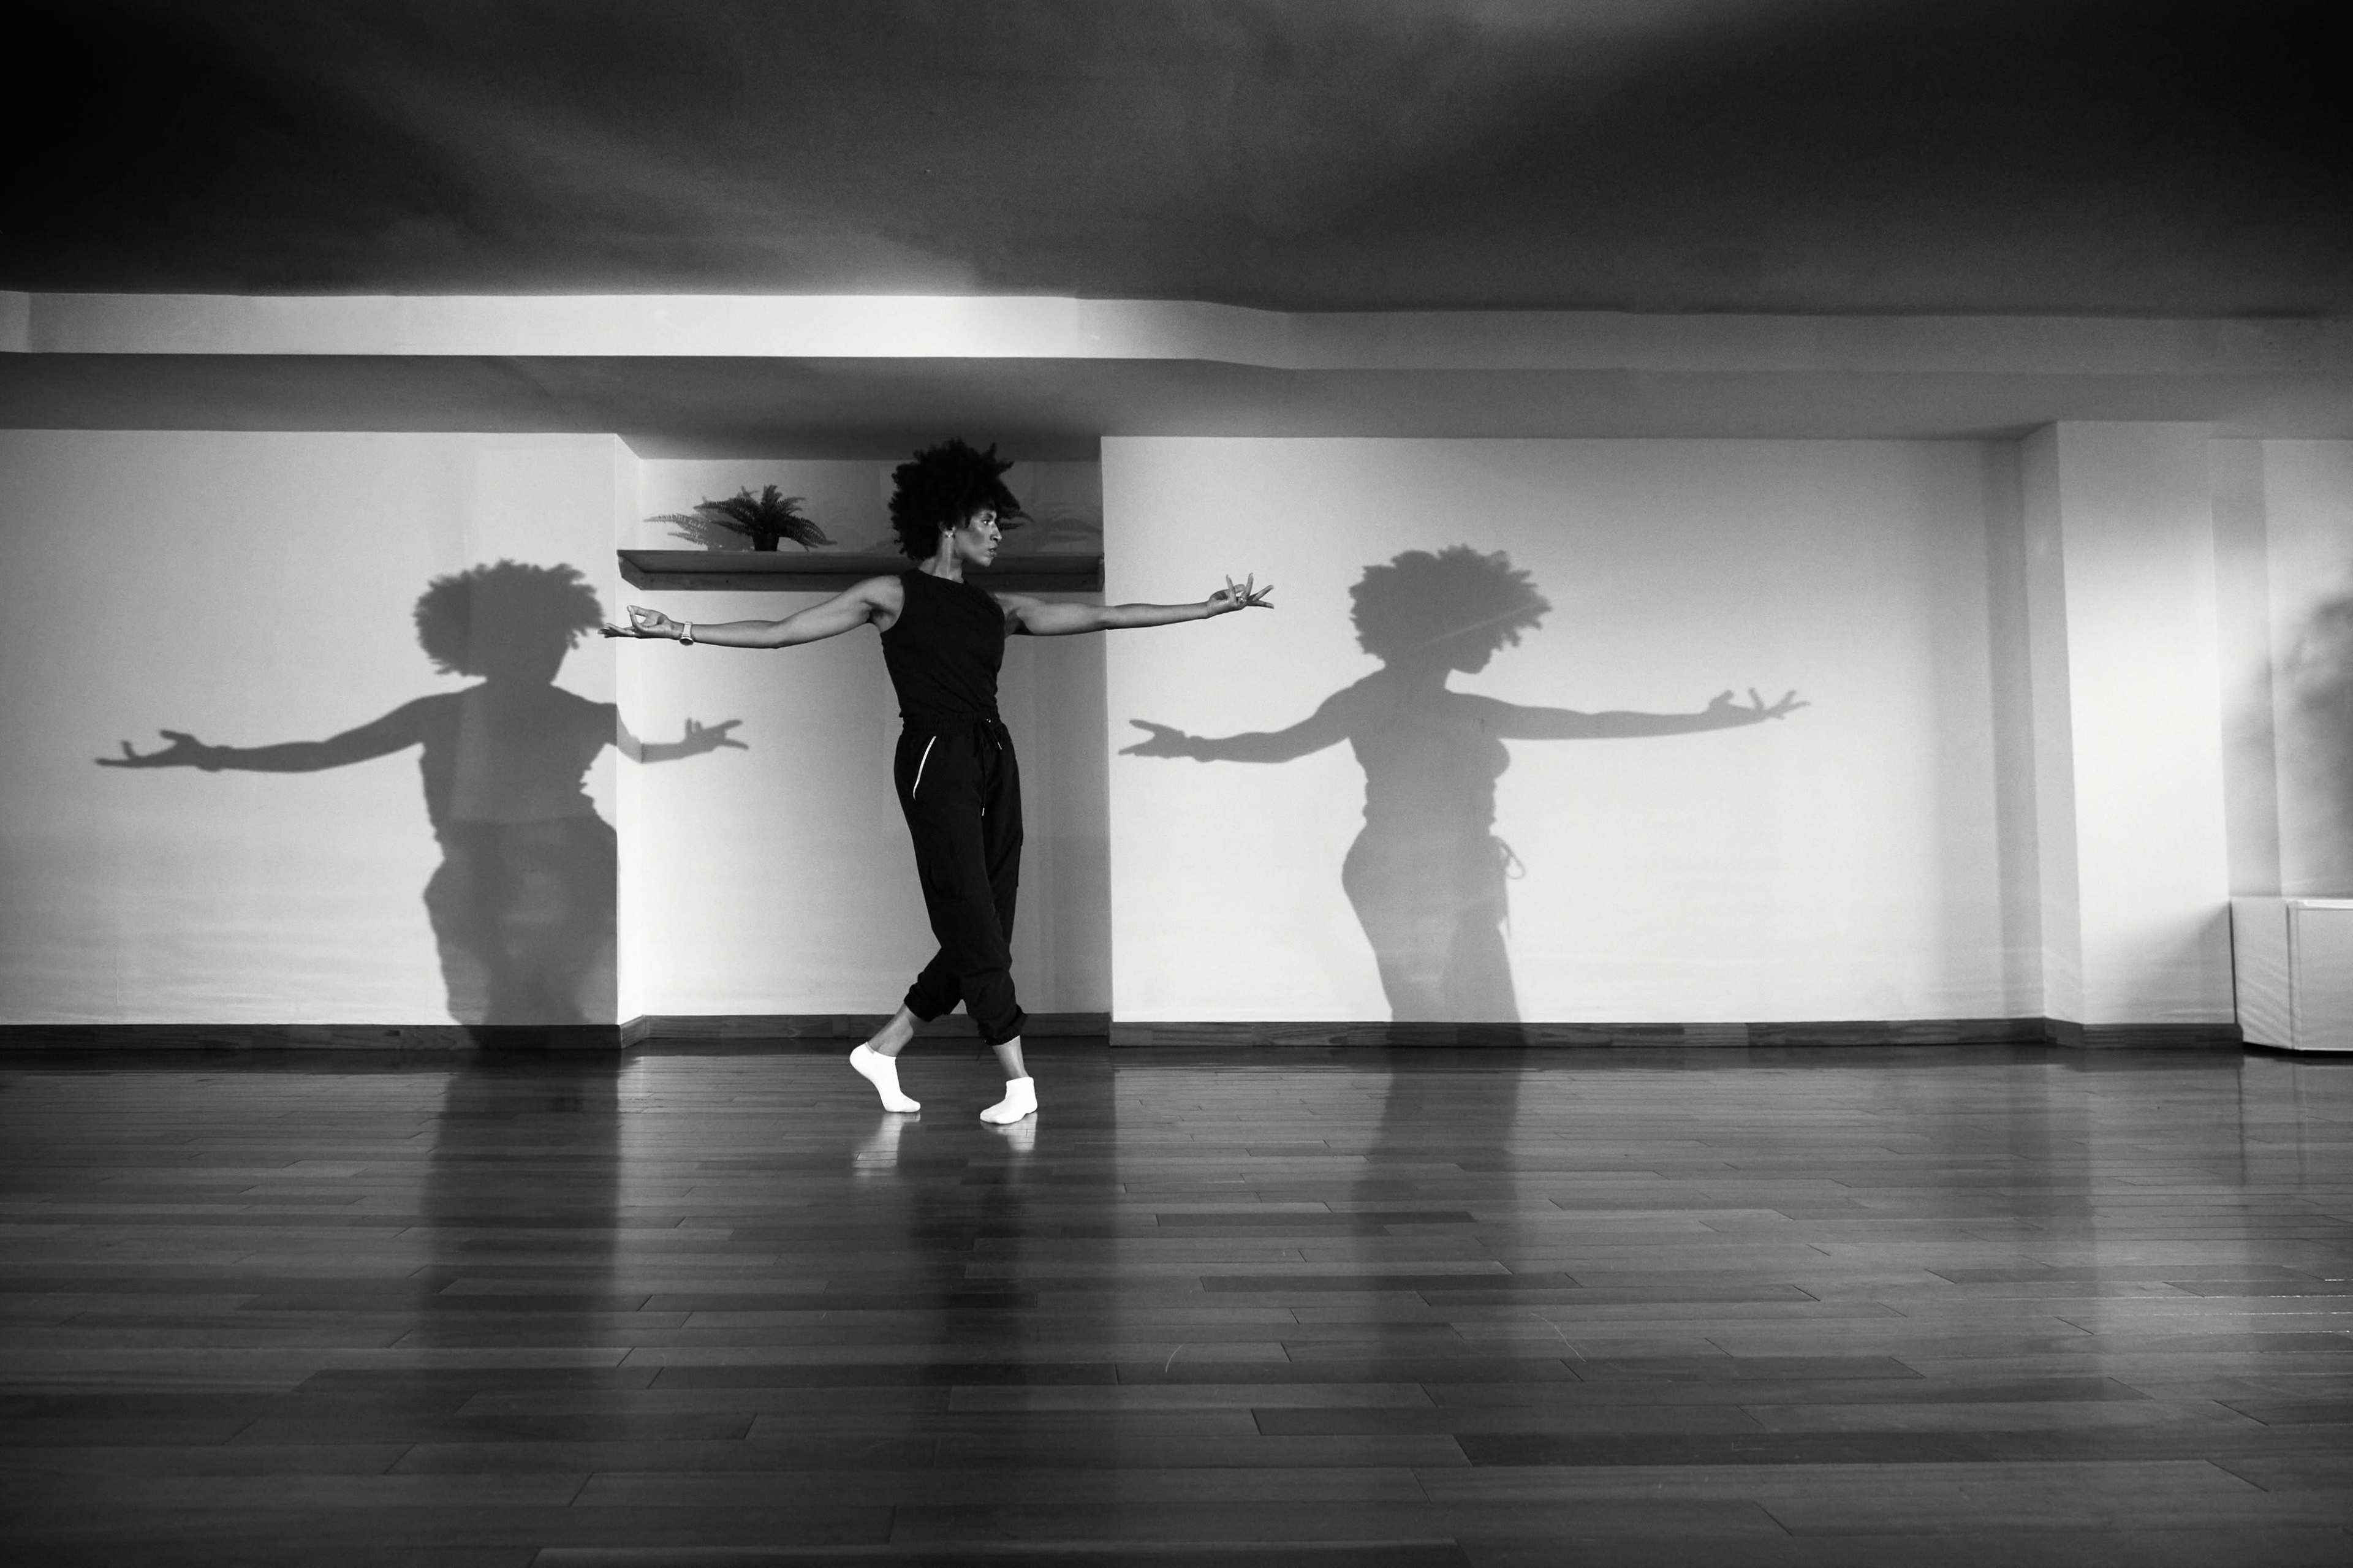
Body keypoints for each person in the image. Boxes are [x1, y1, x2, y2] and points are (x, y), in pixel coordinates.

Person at [607, 439, 1271, 1123]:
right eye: (986, 519)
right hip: (935, 759)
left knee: (989, 924)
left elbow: (1105, 616)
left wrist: (1204, 610)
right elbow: (782, 631)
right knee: (975, 923)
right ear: (948, 522)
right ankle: (1018, 1080)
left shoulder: (999, 608)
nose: (997, 531)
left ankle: (884, 1048)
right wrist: (679, 629)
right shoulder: (890, 594)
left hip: (994, 756)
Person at [1124, 544, 1801, 1023]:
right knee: (1434, 1011)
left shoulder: (1447, 705)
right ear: (1436, 628)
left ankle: (1456, 1174)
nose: (1491, 644)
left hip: (1458, 869)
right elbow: (1282, 748)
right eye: (1478, 630)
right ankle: (1429, 1175)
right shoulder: (1384, 699)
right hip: (1400, 872)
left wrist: (1712, 723)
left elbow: (1590, 725)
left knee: (1469, 1014)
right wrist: (1190, 747)